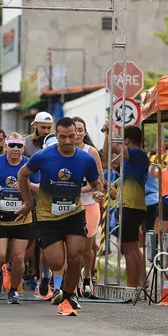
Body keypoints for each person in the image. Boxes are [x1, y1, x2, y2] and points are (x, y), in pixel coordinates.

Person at [19, 117, 101, 316]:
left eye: (71, 136)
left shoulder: (85, 158)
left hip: (74, 212)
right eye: (62, 137)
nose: (67, 141)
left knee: (76, 256)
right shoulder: (43, 156)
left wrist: (94, 191)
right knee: (57, 262)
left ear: (77, 135)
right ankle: (65, 286)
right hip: (48, 215)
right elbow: (23, 174)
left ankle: (68, 296)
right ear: (56, 136)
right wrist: (28, 202)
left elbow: (96, 183)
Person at [0, 133, 39, 304]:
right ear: (6, 146)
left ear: (23, 148)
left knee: (18, 256)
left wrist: (26, 184)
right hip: (0, 216)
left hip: (22, 216)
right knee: (0, 256)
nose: (15, 149)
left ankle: (14, 290)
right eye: (12, 145)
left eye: (19, 145)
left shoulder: (29, 164)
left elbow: (40, 188)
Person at [107, 125, 150, 288]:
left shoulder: (138, 154)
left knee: (127, 247)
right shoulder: (131, 159)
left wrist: (111, 132)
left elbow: (115, 148)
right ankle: (140, 284)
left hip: (131, 205)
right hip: (131, 205)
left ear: (127, 140)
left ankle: (132, 286)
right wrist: (107, 136)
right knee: (131, 245)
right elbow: (108, 155)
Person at [72, 117, 105, 297]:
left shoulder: (91, 152)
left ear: (85, 132)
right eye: (74, 130)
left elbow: (99, 182)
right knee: (72, 248)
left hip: (89, 204)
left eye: (80, 130)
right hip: (69, 205)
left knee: (87, 248)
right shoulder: (65, 152)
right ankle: (73, 281)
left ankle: (87, 277)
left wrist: (80, 189)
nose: (77, 133)